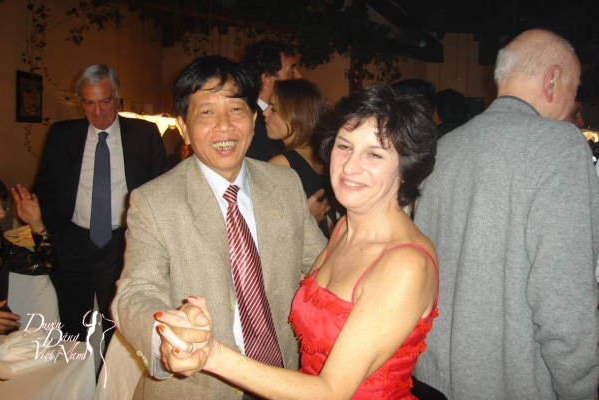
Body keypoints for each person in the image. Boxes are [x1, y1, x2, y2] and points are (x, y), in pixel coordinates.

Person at [155, 82, 440, 399]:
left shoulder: (405, 265)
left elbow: (330, 392)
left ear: (405, 169)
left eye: (374, 154)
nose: (350, 166)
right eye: (344, 146)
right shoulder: (345, 228)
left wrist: (213, 354)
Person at [111, 55, 327, 400]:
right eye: (207, 112)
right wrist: (167, 337)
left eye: (236, 109)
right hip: (199, 386)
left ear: (253, 120)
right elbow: (136, 291)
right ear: (184, 126)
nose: (224, 126)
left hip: (281, 378)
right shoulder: (153, 201)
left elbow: (323, 264)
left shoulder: (284, 184)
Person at [412, 29, 599, 399]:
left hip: (431, 378)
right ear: (552, 81)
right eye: (574, 88)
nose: (573, 102)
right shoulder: (559, 147)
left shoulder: (446, 147)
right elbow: (564, 304)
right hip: (510, 385)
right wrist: (581, 389)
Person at [33, 64, 168, 346]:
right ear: (79, 102)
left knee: (119, 331)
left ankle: (108, 377)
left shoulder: (144, 135)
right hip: (74, 244)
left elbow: (161, 190)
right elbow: (45, 188)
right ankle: (76, 375)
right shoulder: (62, 135)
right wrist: (59, 234)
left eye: (105, 101)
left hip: (123, 244)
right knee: (72, 331)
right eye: (88, 103)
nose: (97, 112)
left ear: (118, 97)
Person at [264, 79, 335, 237]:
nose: (265, 112)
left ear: (296, 116)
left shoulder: (280, 164)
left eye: (273, 109)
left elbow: (268, 231)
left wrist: (305, 219)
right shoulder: (324, 158)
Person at [0, 180, 56, 334]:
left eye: (2, 207)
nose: (2, 214)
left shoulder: (0, 245)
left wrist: (36, 224)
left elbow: (46, 265)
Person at [241, 39, 302, 162]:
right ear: (267, 79)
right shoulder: (251, 124)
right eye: (291, 72)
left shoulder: (285, 115)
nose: (298, 76)